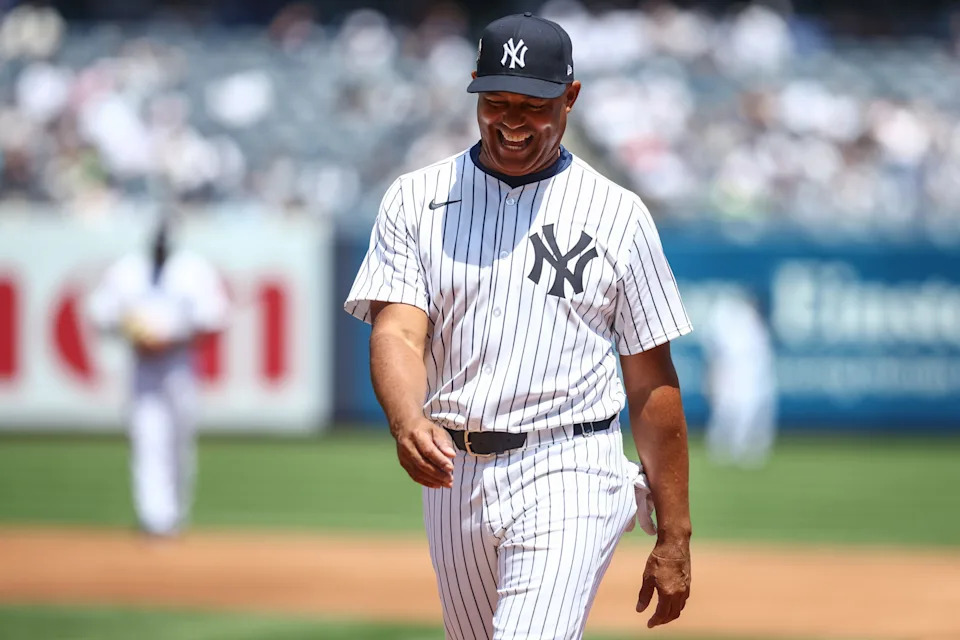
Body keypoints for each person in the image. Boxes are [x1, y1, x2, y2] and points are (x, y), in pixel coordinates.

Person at [345, 12, 693, 639]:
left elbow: (649, 379)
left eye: (532, 104)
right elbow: (397, 332)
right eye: (496, 100)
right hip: (455, 472)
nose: (511, 120)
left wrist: (676, 534)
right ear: (475, 86)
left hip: (572, 461)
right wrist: (405, 418)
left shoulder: (619, 214)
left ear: (570, 97)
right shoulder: (415, 198)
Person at [87, 216, 229, 537]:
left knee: (179, 441)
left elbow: (215, 315)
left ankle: (175, 513)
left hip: (179, 362)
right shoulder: (128, 270)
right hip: (143, 364)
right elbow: (99, 312)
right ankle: (154, 517)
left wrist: (174, 337)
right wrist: (132, 330)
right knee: (147, 438)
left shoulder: (192, 269)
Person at [702, 289, 778, 467]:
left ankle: (747, 451)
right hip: (733, 378)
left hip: (754, 378)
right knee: (727, 412)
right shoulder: (729, 325)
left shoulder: (755, 326)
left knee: (753, 413)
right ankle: (721, 450)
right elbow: (717, 356)